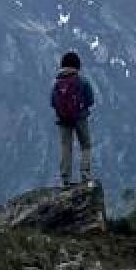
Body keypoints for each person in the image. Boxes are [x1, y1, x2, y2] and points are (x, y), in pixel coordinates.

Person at [50, 51, 95, 187]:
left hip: (62, 119)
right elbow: (90, 100)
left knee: (66, 147)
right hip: (80, 118)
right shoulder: (82, 80)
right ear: (77, 65)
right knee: (85, 145)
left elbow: (52, 102)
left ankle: (65, 179)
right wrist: (81, 108)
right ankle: (85, 175)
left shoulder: (57, 82)